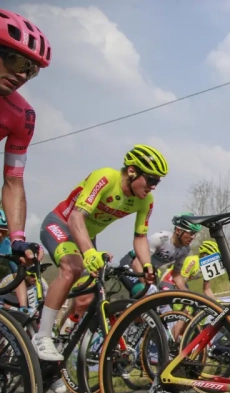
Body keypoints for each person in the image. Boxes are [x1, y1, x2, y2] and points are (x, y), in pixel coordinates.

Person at [33, 144, 168, 362]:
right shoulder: (105, 178)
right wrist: (88, 252)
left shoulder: (145, 200)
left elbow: (140, 236)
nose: (154, 186)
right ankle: (42, 336)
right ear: (132, 171)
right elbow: (76, 217)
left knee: (86, 298)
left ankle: (59, 343)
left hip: (86, 235)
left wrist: (146, 266)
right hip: (62, 224)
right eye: (151, 179)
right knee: (72, 269)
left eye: (158, 181)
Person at [0, 9, 49, 267]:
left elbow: (13, 181)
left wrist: (17, 238)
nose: (22, 76)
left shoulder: (22, 115)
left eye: (30, 71)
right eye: (16, 62)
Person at [118, 213, 200, 297]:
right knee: (145, 297)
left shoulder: (185, 250)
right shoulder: (160, 239)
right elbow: (136, 264)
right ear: (178, 230)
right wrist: (147, 285)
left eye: (195, 234)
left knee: (153, 304)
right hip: (131, 264)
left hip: (147, 271)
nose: (193, 237)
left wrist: (188, 294)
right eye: (190, 233)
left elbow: (176, 275)